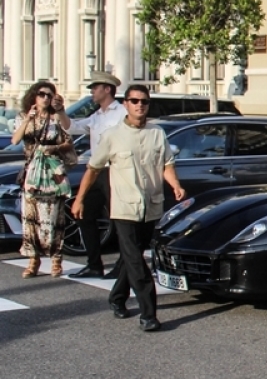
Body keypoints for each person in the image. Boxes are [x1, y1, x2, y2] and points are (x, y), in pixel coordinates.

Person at [72, 84, 184, 331]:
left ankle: (117, 297)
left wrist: (175, 184)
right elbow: (93, 169)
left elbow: (167, 163)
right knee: (136, 260)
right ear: (126, 104)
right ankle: (148, 314)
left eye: (144, 101)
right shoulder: (112, 135)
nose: (139, 105)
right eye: (134, 101)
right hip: (123, 206)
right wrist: (79, 199)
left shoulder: (157, 133)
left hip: (151, 206)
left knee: (129, 256)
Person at [63, 71, 126, 278]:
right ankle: (94, 263)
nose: (91, 91)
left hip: (115, 170)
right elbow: (72, 127)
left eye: (95, 88)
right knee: (84, 213)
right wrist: (59, 111)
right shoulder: (96, 116)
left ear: (107, 89)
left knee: (119, 219)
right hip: (97, 170)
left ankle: (123, 264)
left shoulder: (121, 112)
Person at [12, 81, 75, 278]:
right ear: (34, 96)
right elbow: (15, 140)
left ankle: (56, 260)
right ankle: (33, 261)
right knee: (31, 219)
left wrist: (54, 148)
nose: (46, 98)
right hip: (32, 173)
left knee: (54, 217)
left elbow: (69, 137)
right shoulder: (24, 117)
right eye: (42, 94)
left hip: (53, 173)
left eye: (49, 95)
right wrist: (27, 120)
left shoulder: (56, 118)